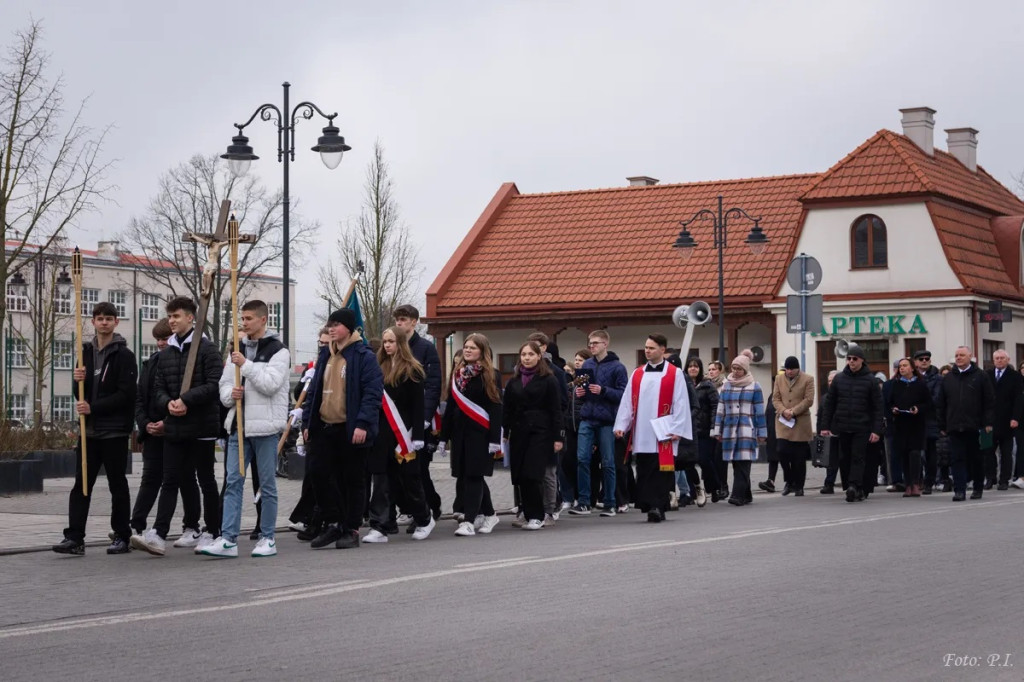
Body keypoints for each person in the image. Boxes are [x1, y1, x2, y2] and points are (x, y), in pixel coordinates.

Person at [133, 297, 223, 556]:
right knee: (170, 479)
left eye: (177, 316)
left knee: (206, 479)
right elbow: (157, 387)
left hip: (202, 426)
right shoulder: (168, 353)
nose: (172, 320)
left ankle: (211, 530)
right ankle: (159, 534)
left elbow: (214, 384)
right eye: (170, 316)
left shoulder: (207, 349)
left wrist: (186, 400)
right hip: (175, 426)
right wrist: (168, 403)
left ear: (191, 318)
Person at [202, 300, 290, 558]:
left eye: (249, 318)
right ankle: (228, 538)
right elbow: (224, 386)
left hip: (264, 428)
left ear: (263, 320)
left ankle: (267, 537)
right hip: (238, 427)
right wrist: (232, 395)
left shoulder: (279, 351)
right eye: (243, 318)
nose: (244, 323)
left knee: (267, 485)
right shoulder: (237, 352)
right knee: (232, 483)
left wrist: (246, 366)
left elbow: (271, 384)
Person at [52, 303, 138, 556]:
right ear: (93, 322)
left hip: (113, 432)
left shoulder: (124, 355)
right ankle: (75, 537)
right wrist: (77, 380)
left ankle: (122, 535)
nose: (104, 323)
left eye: (108, 319)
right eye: (99, 318)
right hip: (88, 432)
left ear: (116, 322)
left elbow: (126, 394)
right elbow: (79, 396)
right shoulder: (85, 352)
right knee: (82, 484)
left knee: (117, 484)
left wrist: (94, 408)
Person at [301, 308, 384, 549]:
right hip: (324, 427)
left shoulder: (363, 356)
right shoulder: (326, 355)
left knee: (353, 480)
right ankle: (334, 521)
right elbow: (314, 391)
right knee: (318, 474)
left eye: (336, 324)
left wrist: (363, 424)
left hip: (350, 428)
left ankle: (351, 529)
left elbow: (372, 393)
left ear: (349, 327)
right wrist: (307, 422)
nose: (331, 329)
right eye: (329, 325)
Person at [363, 326, 436, 543]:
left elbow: (417, 405)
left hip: (405, 433)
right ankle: (380, 526)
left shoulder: (412, 369)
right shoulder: (378, 367)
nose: (387, 345)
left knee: (409, 480)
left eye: (391, 341)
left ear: (400, 344)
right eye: (385, 341)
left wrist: (418, 437)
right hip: (381, 433)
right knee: (381, 479)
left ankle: (424, 519)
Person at [129, 319, 199, 538]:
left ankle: (190, 525)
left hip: (175, 431)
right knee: (150, 478)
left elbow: (184, 398)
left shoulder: (186, 362)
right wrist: (145, 424)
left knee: (183, 478)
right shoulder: (151, 363)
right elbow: (139, 397)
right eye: (158, 339)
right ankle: (136, 524)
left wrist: (166, 423)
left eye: (164, 339)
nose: (160, 343)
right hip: (152, 432)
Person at [615, 335, 691, 522]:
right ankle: (647, 504)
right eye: (646, 347)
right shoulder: (638, 373)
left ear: (662, 350)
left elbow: (681, 402)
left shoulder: (675, 373)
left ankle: (659, 505)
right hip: (642, 430)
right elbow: (627, 402)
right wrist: (621, 425)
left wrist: (678, 428)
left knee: (661, 470)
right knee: (645, 468)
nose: (647, 351)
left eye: (652, 348)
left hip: (664, 429)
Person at [440, 333, 503, 536]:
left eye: (472, 348)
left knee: (474, 476)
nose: (467, 350)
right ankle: (491, 514)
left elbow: (495, 408)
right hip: (460, 434)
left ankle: (468, 520)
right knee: (467, 476)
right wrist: (443, 436)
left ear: (482, 351)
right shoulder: (458, 374)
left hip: (480, 434)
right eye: (466, 347)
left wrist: (495, 439)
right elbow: (451, 407)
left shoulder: (491, 374)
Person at [503, 341, 564, 530]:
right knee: (520, 475)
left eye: (531, 354)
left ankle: (538, 515)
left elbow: (556, 410)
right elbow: (508, 408)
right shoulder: (514, 381)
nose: (527, 358)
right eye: (523, 355)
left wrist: (558, 437)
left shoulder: (548, 379)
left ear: (539, 356)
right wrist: (505, 431)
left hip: (541, 433)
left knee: (534, 474)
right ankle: (527, 513)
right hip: (519, 433)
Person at [569, 330, 628, 517]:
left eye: (595, 343)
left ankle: (610, 502)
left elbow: (623, 395)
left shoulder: (618, 367)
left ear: (605, 344)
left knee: (608, 462)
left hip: (607, 420)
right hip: (588, 417)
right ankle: (585, 502)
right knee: (582, 459)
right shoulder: (586, 364)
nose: (591, 346)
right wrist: (579, 393)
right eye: (590, 343)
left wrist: (603, 390)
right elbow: (581, 390)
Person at [392, 305, 443, 520]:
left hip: (418, 418)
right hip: (397, 417)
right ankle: (406, 508)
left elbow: (432, 385)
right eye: (397, 320)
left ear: (414, 322)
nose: (399, 324)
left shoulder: (425, 348)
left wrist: (425, 416)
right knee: (398, 467)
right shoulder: (392, 347)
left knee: (419, 469)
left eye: (403, 319)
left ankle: (431, 505)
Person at [820, 344, 883, 503]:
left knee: (858, 456)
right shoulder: (839, 379)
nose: (851, 361)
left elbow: (878, 408)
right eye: (849, 359)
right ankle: (853, 485)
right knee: (844, 458)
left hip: (862, 426)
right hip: (843, 425)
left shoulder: (871, 380)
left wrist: (876, 430)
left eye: (854, 359)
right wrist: (825, 426)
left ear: (862, 360)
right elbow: (830, 404)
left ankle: (854, 486)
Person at [936, 346, 994, 501]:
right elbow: (941, 403)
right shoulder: (948, 378)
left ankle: (977, 488)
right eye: (956, 355)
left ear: (970, 356)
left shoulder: (981, 376)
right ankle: (959, 490)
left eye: (962, 355)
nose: (958, 357)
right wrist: (942, 425)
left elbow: (989, 402)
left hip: (975, 426)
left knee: (976, 459)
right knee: (957, 459)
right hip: (954, 426)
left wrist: (988, 423)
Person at [712, 354, 767, 506]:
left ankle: (737, 495)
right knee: (736, 462)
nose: (735, 371)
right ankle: (747, 494)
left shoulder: (754, 386)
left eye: (739, 369)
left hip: (746, 429)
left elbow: (759, 411)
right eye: (734, 368)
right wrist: (718, 430)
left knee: (744, 462)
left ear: (745, 369)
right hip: (729, 429)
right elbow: (720, 410)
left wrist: (762, 433)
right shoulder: (726, 385)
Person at [290, 328, 329, 537]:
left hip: (329, 425)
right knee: (311, 476)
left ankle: (317, 520)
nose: (322, 346)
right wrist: (307, 379)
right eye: (319, 343)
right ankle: (308, 519)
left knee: (323, 477)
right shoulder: (313, 367)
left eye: (325, 343)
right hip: (313, 427)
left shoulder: (334, 365)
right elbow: (300, 395)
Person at [527, 332, 569, 525]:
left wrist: (556, 430)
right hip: (528, 429)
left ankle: (551, 509)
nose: (528, 355)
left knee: (549, 471)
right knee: (530, 472)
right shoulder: (523, 373)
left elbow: (561, 403)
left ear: (543, 348)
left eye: (534, 347)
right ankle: (527, 508)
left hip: (549, 427)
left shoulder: (555, 373)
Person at [885, 357, 931, 497]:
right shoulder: (896, 384)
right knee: (904, 454)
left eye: (905, 366)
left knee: (915, 454)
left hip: (916, 425)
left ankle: (916, 483)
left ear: (912, 368)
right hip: (901, 424)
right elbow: (889, 402)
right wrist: (893, 409)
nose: (902, 368)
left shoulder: (921, 384)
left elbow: (928, 404)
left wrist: (918, 409)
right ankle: (908, 484)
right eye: (900, 366)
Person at [772, 356, 815, 496]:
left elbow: (809, 400)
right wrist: (783, 411)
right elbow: (775, 398)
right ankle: (789, 481)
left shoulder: (808, 379)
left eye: (792, 369)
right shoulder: (779, 379)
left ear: (798, 369)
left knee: (799, 457)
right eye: (787, 369)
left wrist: (793, 411)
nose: (789, 372)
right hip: (783, 422)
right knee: (781, 451)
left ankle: (799, 485)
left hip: (800, 423)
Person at [983, 349, 1022, 491]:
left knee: (1006, 453)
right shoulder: (986, 375)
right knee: (987, 451)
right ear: (993, 361)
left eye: (1002, 358)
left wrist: (1015, 418)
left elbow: (1019, 399)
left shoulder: (1015, 376)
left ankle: (1004, 479)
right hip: (988, 421)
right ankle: (990, 478)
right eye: (997, 358)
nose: (999, 360)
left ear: (1008, 360)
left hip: (1007, 421)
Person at [687, 356, 721, 503]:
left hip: (704, 430)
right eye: (690, 366)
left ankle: (713, 488)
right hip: (687, 429)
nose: (693, 368)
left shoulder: (708, 386)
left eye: (696, 366)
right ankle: (693, 491)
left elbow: (715, 407)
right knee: (686, 463)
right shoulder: (683, 384)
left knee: (704, 460)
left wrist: (714, 426)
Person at [913, 349, 943, 494]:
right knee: (915, 453)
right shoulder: (912, 377)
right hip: (914, 420)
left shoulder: (936, 378)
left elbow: (936, 399)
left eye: (926, 359)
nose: (924, 361)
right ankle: (916, 481)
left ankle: (929, 481)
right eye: (921, 359)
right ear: (915, 362)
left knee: (930, 453)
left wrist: (919, 405)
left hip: (930, 419)